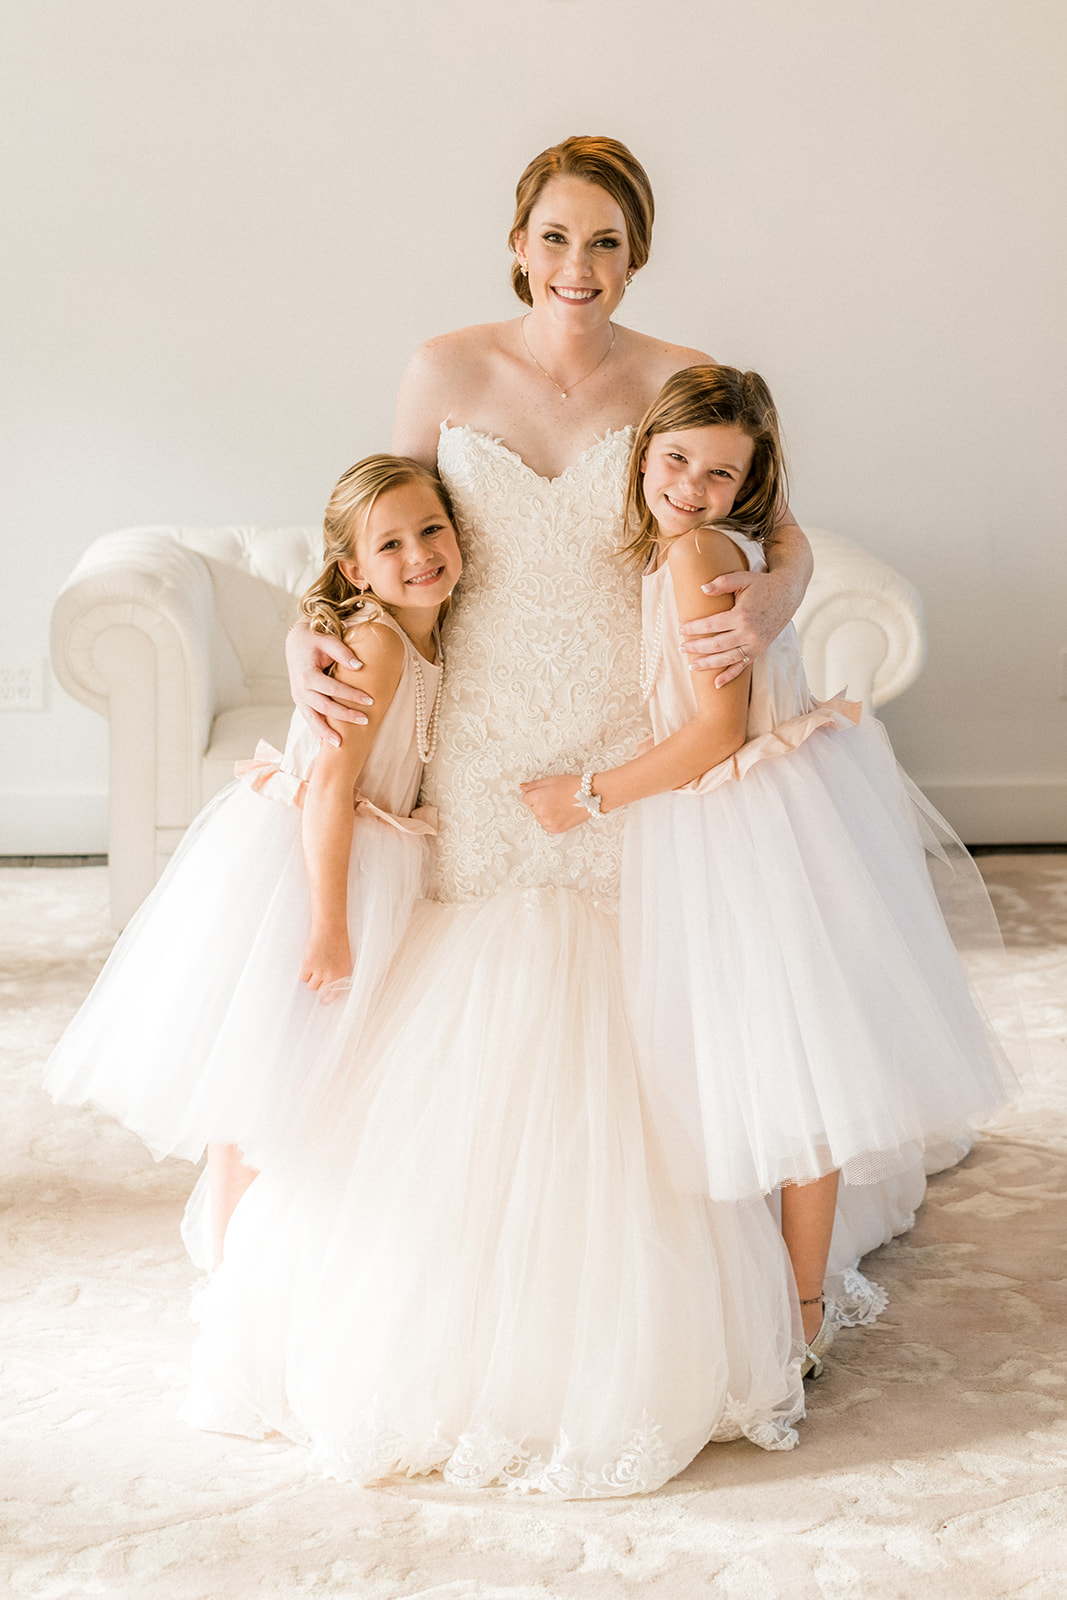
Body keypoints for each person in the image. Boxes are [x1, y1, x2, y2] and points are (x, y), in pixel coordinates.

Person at [520, 364, 1015, 1376]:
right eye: (673, 462)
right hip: (754, 814)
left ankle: (796, 1303)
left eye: (716, 473)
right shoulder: (686, 544)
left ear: (748, 484)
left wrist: (588, 793)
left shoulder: (700, 551)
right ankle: (788, 1279)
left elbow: (711, 734)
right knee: (784, 1052)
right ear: (643, 452)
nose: (689, 487)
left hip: (735, 823)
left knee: (788, 1062)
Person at [45, 455, 461, 1266]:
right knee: (266, 1074)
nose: (419, 554)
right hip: (311, 869)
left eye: (432, 529)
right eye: (391, 546)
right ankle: (233, 1260)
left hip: (368, 856)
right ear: (354, 570)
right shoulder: (377, 643)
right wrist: (329, 926)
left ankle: (275, 1245)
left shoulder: (429, 629)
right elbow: (330, 789)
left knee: (313, 1072)